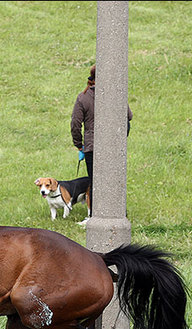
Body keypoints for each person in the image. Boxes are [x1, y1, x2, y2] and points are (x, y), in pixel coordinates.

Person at [70, 64, 132, 226]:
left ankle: (96, 216)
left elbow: (75, 124)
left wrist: (79, 145)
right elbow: (129, 117)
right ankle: (119, 213)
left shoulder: (83, 97)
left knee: (95, 181)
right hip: (114, 146)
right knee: (114, 179)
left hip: (92, 147)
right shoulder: (117, 95)